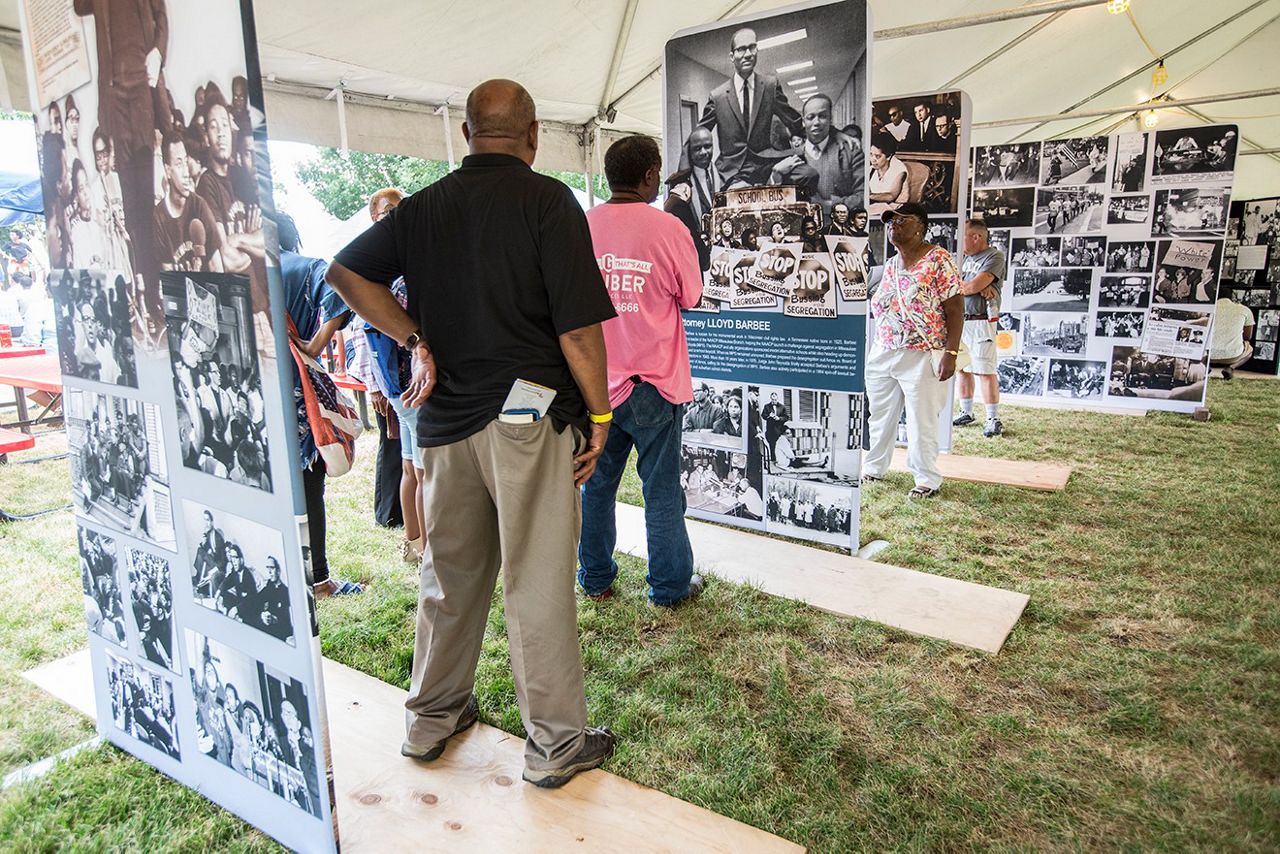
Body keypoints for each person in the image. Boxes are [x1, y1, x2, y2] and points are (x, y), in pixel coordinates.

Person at [324, 79, 618, 788]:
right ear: (534, 134)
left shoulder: (422, 207)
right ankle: (555, 747)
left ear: (465, 133)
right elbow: (578, 330)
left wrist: (416, 336)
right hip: (529, 417)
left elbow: (344, 275)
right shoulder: (548, 201)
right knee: (536, 581)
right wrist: (601, 415)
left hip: (445, 424)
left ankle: (430, 719)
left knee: (448, 579)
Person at [577, 135, 705, 607]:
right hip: (655, 383)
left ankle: (594, 579)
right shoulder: (669, 229)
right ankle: (669, 587)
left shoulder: (581, 226)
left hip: (596, 386)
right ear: (651, 175)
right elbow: (691, 297)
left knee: (596, 485)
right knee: (663, 491)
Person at [276, 213, 362, 600]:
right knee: (309, 484)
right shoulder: (303, 267)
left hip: (246, 395)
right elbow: (341, 293)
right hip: (294, 390)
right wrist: (314, 345)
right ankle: (319, 579)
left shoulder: (237, 272)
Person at [862, 203, 963, 499]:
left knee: (922, 419)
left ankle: (926, 478)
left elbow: (956, 309)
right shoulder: (891, 264)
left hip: (922, 353)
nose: (894, 224)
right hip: (884, 350)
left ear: (921, 227)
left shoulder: (938, 260)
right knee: (879, 414)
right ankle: (875, 467)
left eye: (902, 220)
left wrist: (951, 352)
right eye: (891, 220)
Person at [353, 188, 425, 561]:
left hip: (399, 386)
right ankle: (427, 547)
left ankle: (414, 545)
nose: (396, 216)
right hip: (411, 384)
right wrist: (375, 386)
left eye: (400, 209)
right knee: (423, 471)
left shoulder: (376, 270)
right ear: (374, 217)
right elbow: (364, 336)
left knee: (410, 465)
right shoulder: (395, 275)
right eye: (388, 212)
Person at [696, 27, 802, 188]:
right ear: (732, 56)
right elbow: (698, 135)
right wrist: (683, 175)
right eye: (741, 49)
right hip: (730, 169)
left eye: (752, 47)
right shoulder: (717, 97)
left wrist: (835, 137)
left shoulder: (770, 86)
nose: (748, 54)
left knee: (808, 175)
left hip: (766, 162)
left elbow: (795, 120)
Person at [769, 93, 863, 217]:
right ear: (803, 121)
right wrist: (775, 176)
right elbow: (773, 202)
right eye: (810, 117)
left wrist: (829, 205)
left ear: (831, 119)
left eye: (823, 116)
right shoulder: (789, 158)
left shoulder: (850, 152)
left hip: (841, 231)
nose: (816, 122)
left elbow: (862, 197)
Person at [954, 219, 1007, 437]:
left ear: (977, 237)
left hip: (981, 320)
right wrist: (967, 288)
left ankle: (993, 418)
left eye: (964, 235)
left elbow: (972, 285)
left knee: (985, 369)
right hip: (962, 319)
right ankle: (966, 411)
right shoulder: (963, 258)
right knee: (963, 368)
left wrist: (970, 287)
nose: (960, 240)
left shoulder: (995, 256)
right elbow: (961, 286)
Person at [155, 131, 224, 272]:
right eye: (179, 164)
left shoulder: (200, 206)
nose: (186, 172)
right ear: (168, 171)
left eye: (186, 162)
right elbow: (168, 276)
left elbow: (217, 268)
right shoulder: (159, 217)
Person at [663, 170, 710, 271]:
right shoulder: (680, 206)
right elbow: (691, 236)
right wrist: (704, 256)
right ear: (685, 189)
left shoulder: (669, 204)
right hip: (686, 268)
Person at [1209, 287, 1254, 379]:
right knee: (1249, 348)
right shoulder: (1245, 310)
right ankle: (1231, 368)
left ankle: (1206, 367)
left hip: (1208, 355)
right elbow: (1247, 336)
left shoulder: (1209, 309)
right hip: (1233, 355)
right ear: (1232, 297)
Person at [868, 133, 909, 215]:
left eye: (878, 156)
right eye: (871, 154)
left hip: (897, 210)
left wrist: (867, 196)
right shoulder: (871, 169)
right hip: (877, 206)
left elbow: (891, 196)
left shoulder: (899, 169)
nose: (873, 159)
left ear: (889, 156)